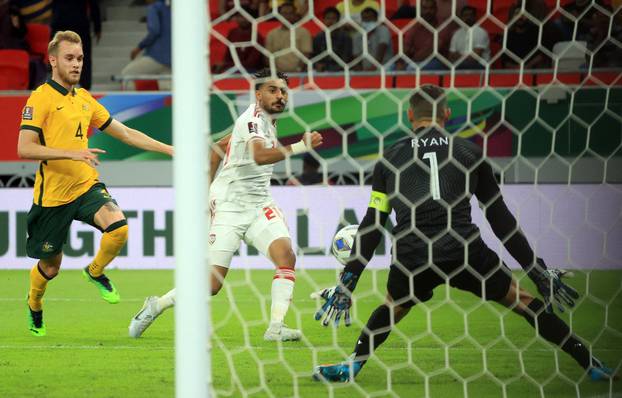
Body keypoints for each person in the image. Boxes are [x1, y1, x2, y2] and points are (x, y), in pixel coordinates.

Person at [311, 84, 615, 382]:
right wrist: (537, 270)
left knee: (393, 306)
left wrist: (347, 282)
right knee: (522, 301)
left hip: (413, 253)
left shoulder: (390, 158)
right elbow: (500, 219)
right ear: (447, 113)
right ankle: (590, 364)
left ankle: (352, 366)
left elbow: (373, 224)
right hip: (464, 249)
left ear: (409, 116)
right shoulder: (470, 152)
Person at [128, 69, 323, 341]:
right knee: (212, 284)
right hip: (230, 205)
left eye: (283, 91)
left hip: (259, 204)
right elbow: (259, 156)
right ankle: (156, 306)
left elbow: (217, 148)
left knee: (286, 257)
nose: (280, 96)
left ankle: (275, 328)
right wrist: (300, 147)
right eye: (273, 90)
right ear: (258, 94)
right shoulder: (252, 120)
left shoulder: (269, 121)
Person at [17, 31, 173, 337]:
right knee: (50, 268)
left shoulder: (85, 99)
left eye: (80, 59)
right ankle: (34, 302)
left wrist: (170, 149)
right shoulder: (40, 98)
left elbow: (126, 133)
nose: (76, 65)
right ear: (53, 61)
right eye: (69, 59)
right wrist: (72, 153)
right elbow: (24, 147)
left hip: (85, 185)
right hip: (52, 197)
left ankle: (95, 271)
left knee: (119, 228)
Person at [50, 0, 101, 90]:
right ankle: (58, 87)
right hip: (62, 25)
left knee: (83, 58)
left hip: (78, 25)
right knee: (60, 58)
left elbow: (93, 4)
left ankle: (85, 89)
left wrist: (97, 26)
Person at [121, 0, 171, 90]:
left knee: (126, 75)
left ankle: (132, 103)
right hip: (172, 59)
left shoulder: (154, 7)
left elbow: (154, 31)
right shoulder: (172, 8)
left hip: (157, 57)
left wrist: (139, 48)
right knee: (167, 89)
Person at [403, 0, 455, 70]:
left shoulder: (443, 25)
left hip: (439, 62)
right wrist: (400, 62)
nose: (428, 11)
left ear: (436, 9)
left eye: (431, 8)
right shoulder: (415, 25)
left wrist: (410, 61)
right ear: (420, 10)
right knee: (390, 68)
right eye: (425, 8)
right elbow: (406, 47)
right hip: (416, 60)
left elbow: (430, 51)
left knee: (411, 68)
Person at [265, 2, 312, 73]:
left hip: (298, 74)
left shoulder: (303, 32)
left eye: (290, 13)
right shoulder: (271, 34)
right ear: (279, 15)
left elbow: (306, 54)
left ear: (295, 15)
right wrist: (276, 72)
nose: (287, 16)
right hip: (277, 74)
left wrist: (298, 70)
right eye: (284, 13)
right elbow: (267, 56)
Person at [312, 7, 352, 72]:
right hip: (320, 72)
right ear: (323, 20)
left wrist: (327, 68)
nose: (330, 21)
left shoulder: (345, 37)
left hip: (340, 72)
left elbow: (346, 59)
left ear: (338, 21)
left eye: (333, 18)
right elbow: (314, 57)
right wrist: (317, 65)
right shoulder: (318, 37)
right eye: (328, 18)